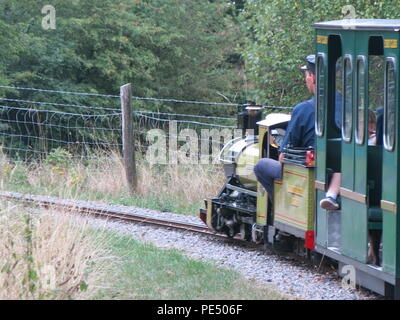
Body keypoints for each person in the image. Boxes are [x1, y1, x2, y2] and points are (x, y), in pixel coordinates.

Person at [254, 54, 316, 202]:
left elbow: (283, 156)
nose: (305, 79)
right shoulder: (349, 106)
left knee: (261, 166)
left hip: (309, 171)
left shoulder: (303, 109)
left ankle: (281, 205)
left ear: (312, 78)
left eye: (306, 75)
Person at [320, 109, 377, 210]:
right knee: (339, 171)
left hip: (368, 175)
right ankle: (330, 197)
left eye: (359, 123)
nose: (354, 126)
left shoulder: (373, 140)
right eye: (351, 123)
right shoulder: (351, 143)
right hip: (352, 176)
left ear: (371, 126)